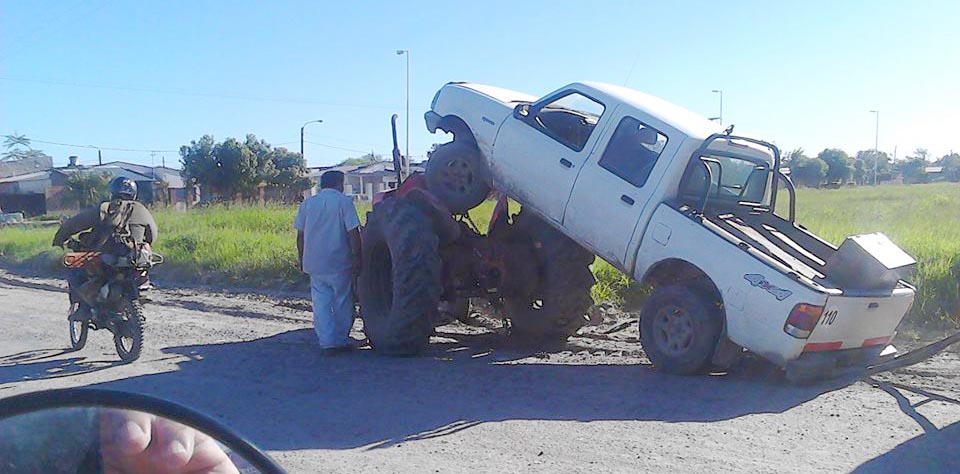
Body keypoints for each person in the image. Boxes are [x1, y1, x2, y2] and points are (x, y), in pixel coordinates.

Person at [52, 176, 159, 311]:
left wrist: (60, 238)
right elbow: (152, 235)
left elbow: (76, 223)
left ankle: (83, 309)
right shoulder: (142, 210)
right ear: (134, 193)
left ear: (112, 192)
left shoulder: (106, 208)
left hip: (107, 259)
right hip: (134, 259)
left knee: (75, 269)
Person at [294, 170, 363, 352]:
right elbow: (353, 233)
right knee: (342, 302)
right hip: (338, 261)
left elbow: (300, 236)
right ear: (339, 183)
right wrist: (357, 256)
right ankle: (341, 340)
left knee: (321, 303)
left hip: (314, 262)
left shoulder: (308, 204)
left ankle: (327, 343)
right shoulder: (344, 202)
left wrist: (302, 259)